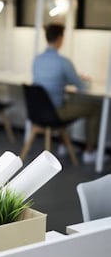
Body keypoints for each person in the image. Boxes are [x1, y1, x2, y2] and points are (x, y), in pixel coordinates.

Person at [33, 23, 101, 164]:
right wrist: (85, 80)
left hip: (38, 111)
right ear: (60, 39)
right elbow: (81, 86)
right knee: (95, 109)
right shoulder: (63, 62)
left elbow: (47, 82)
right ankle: (89, 152)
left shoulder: (37, 60)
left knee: (69, 102)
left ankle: (65, 145)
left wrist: (65, 81)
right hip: (55, 112)